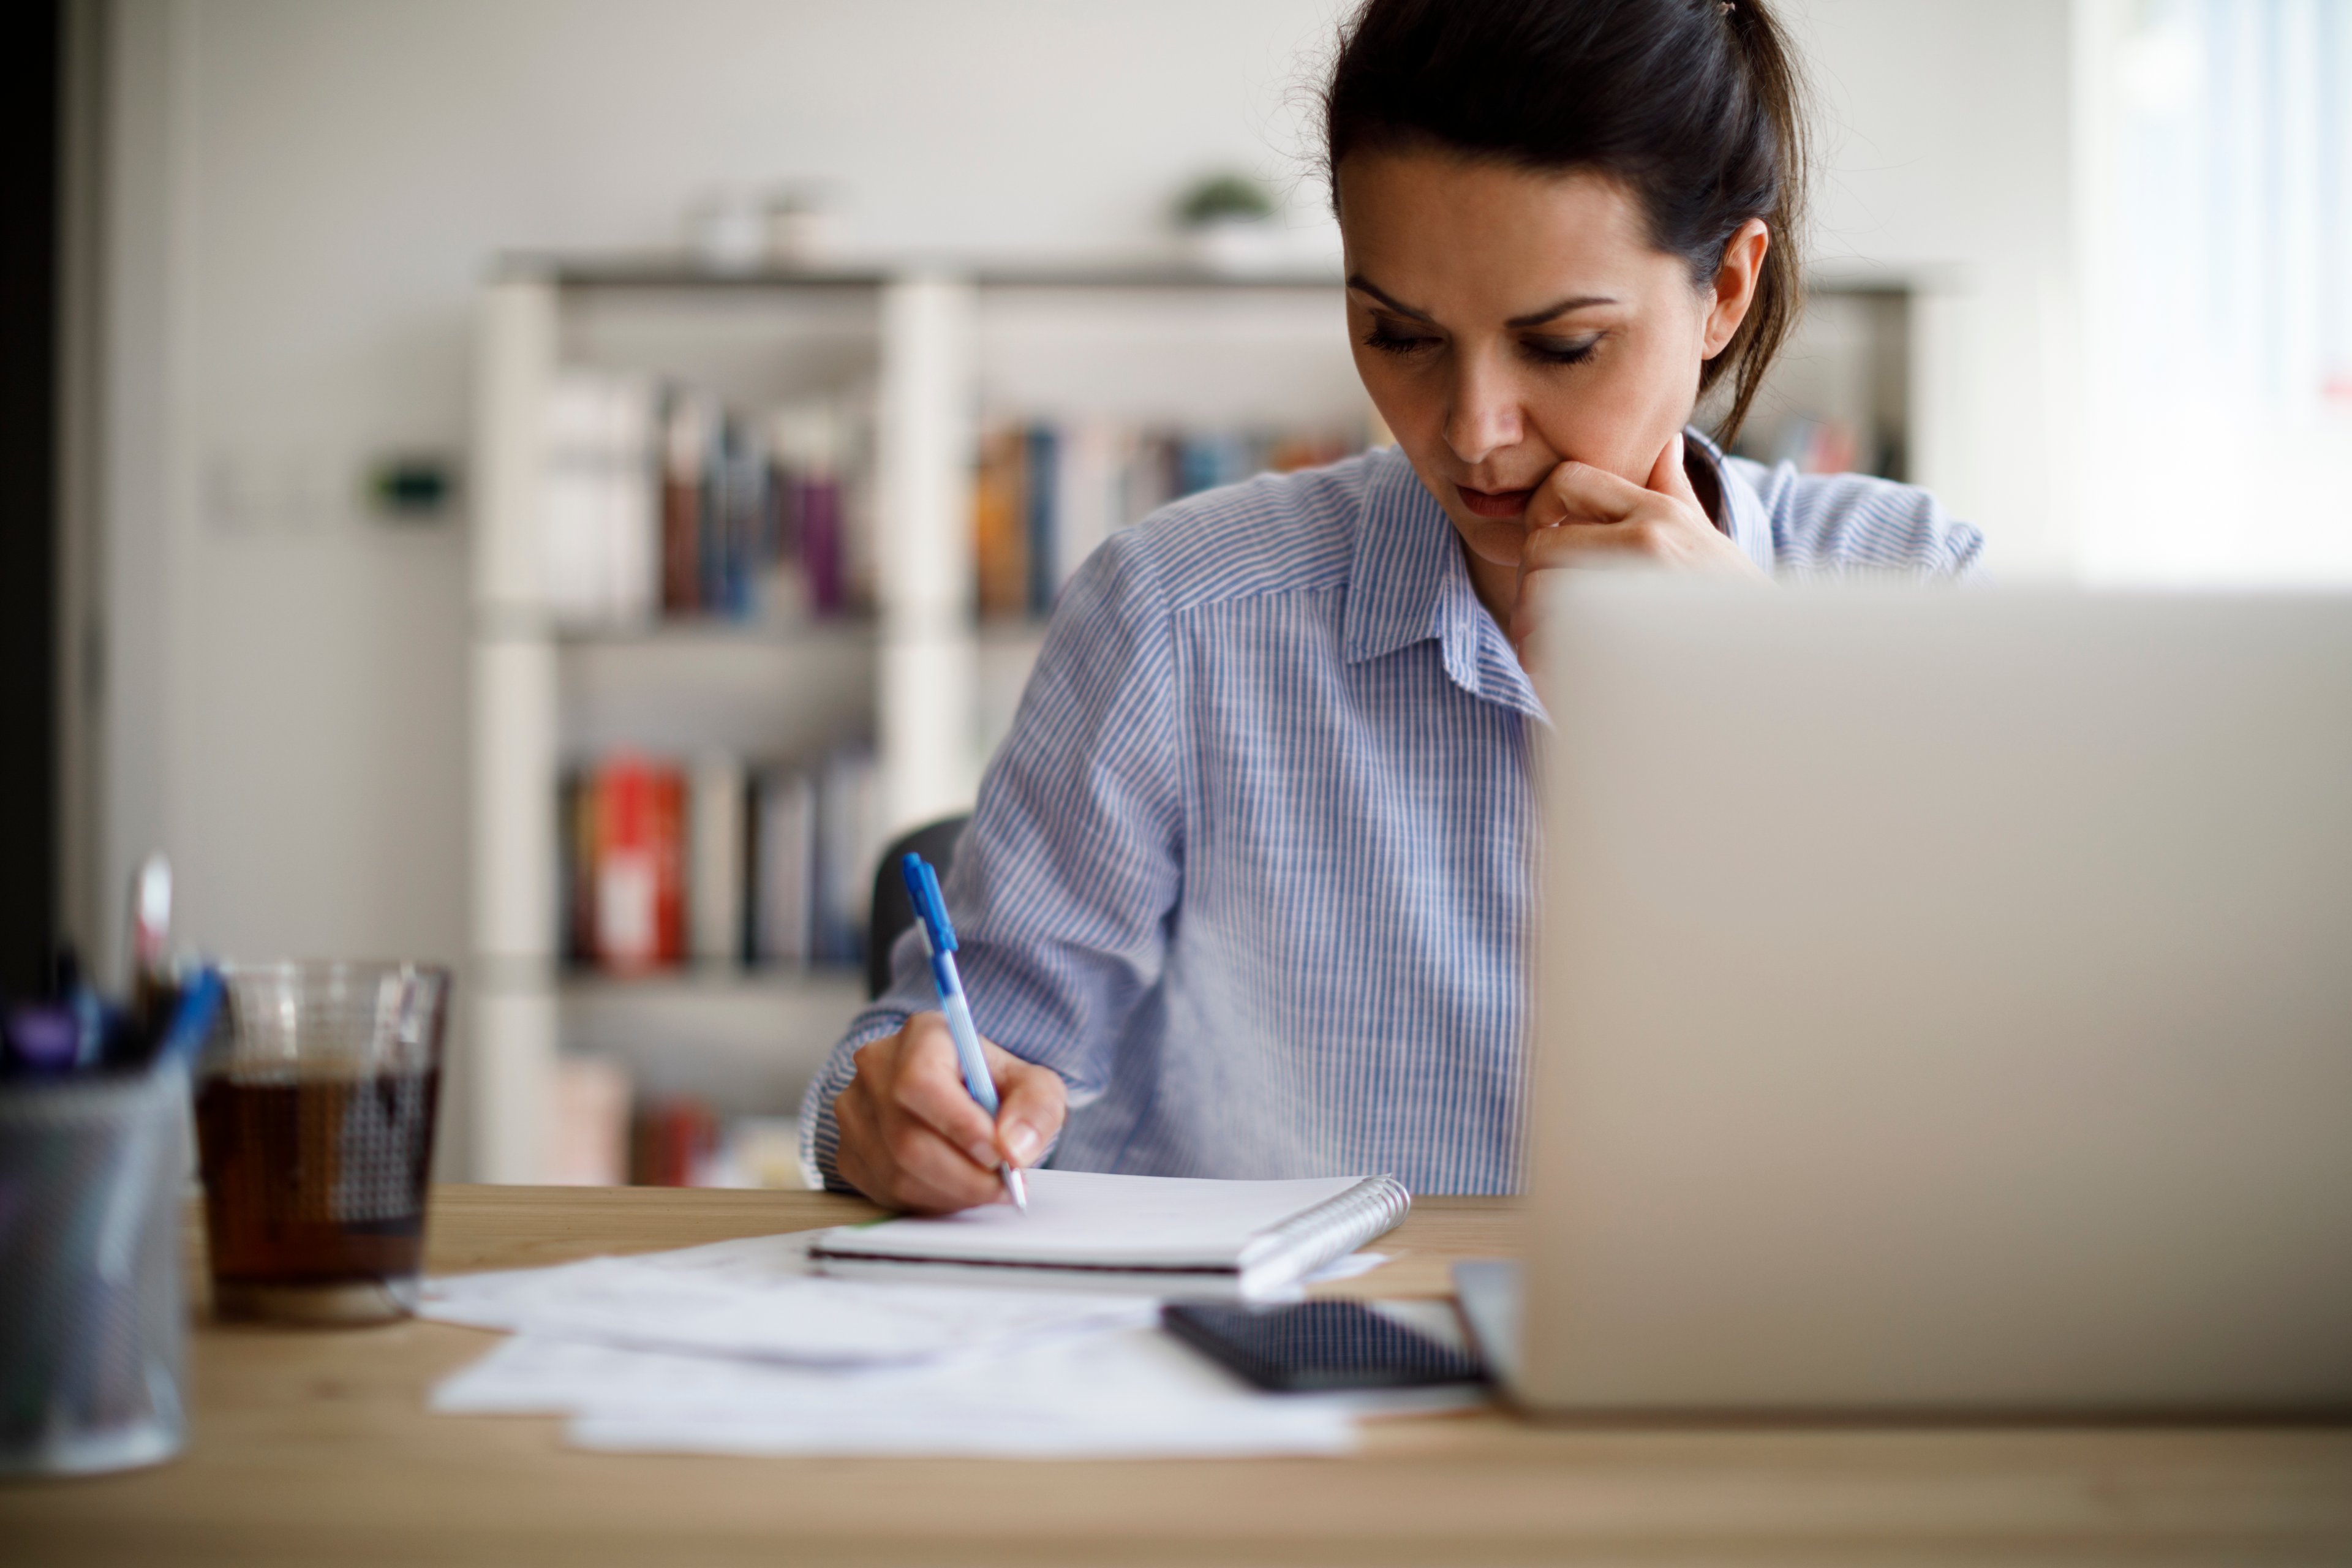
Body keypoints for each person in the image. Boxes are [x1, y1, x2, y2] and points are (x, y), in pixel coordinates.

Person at [802, 0, 1983, 1212]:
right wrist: (900, 1110)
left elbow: (2008, 1102)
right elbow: (944, 1051)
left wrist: (1770, 708)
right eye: (1400, 335)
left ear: (1727, 289)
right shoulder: (1179, 617)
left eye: (1564, 345)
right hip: (1267, 1372)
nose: (1473, 433)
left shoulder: (1917, 598)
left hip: (1758, 1371)